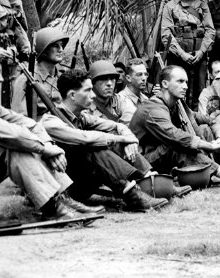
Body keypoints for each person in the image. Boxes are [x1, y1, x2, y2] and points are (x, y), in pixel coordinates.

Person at [0, 49, 89, 221]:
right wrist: (44, 149)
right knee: (14, 145)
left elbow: (26, 123)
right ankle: (53, 207)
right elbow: (11, 134)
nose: (1, 79)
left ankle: (61, 199)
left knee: (23, 141)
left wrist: (49, 144)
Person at [42, 70, 169, 210]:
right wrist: (121, 139)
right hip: (66, 189)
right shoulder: (50, 121)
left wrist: (128, 140)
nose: (93, 95)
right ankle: (132, 195)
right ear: (72, 95)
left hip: (84, 180)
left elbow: (117, 126)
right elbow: (85, 139)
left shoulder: (81, 116)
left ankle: (153, 182)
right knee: (95, 147)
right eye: (88, 90)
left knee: (110, 136)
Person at [130, 65, 220, 186]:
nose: (185, 86)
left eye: (186, 82)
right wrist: (209, 145)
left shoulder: (178, 104)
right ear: (165, 84)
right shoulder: (153, 108)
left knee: (204, 129)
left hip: (164, 156)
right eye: (180, 81)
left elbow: (207, 120)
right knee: (178, 144)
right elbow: (175, 136)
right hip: (145, 162)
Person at [160, 0, 215, 104]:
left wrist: (201, 52)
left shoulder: (202, 5)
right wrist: (182, 54)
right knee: (176, 91)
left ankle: (199, 120)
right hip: (178, 57)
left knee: (200, 91)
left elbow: (210, 30)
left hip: (199, 55)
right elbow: (166, 34)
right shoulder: (170, 6)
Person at [13, 27, 67, 119]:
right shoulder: (26, 79)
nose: (61, 49)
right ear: (44, 49)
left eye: (61, 45)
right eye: (55, 46)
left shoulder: (64, 77)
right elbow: (19, 117)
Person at [89, 60, 137, 124]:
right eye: (103, 78)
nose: (109, 83)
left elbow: (132, 122)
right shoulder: (85, 104)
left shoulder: (120, 100)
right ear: (92, 83)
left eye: (112, 79)